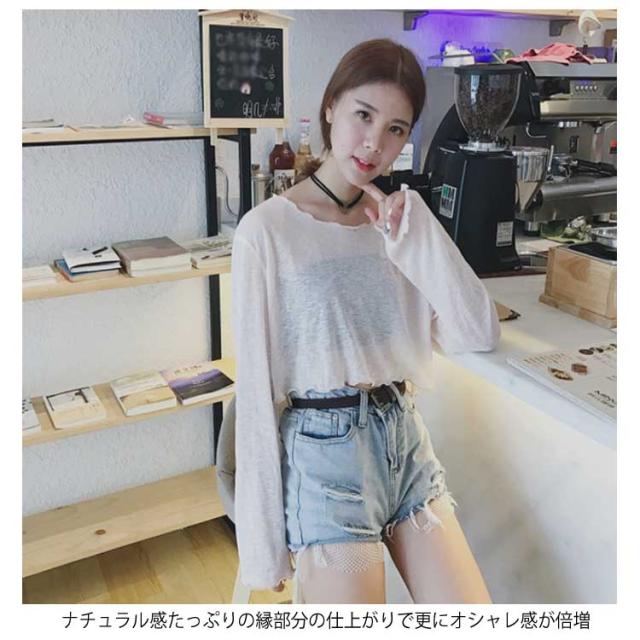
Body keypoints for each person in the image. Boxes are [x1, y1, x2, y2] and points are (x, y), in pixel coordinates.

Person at [227, 38, 500, 604]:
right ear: (331, 107)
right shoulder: (267, 231)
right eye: (364, 115)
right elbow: (255, 391)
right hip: (323, 458)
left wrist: (416, 234)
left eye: (396, 129)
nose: (376, 143)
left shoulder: (399, 224)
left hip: (405, 442)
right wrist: (262, 546)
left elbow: (477, 331)